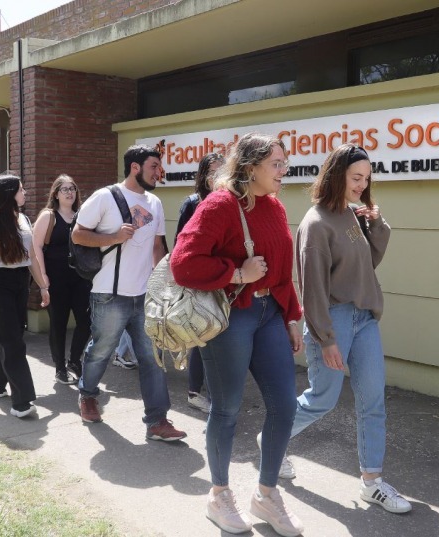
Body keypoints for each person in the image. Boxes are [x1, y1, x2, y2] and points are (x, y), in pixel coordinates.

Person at [171, 133, 304, 536]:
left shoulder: (275, 207)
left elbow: (281, 269)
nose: (285, 171)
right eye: (277, 164)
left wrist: (293, 316)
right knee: (227, 408)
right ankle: (219, 495)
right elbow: (182, 262)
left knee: (285, 405)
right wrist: (235, 274)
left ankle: (266, 495)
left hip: (269, 315)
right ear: (250, 167)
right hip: (233, 315)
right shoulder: (220, 205)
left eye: (284, 163)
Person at [288, 143, 412, 514]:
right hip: (334, 320)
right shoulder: (317, 224)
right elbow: (311, 290)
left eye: (366, 178)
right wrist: (326, 339)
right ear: (336, 175)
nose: (362, 185)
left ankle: (372, 482)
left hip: (364, 319)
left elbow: (367, 263)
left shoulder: (353, 215)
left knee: (373, 400)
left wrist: (377, 224)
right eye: (356, 177)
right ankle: (272, 442)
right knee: (322, 400)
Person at [72, 144, 186, 442]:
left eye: (159, 167)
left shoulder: (156, 203)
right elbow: (78, 234)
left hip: (145, 295)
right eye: (153, 166)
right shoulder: (105, 197)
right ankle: (87, 393)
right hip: (109, 293)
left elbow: (158, 246)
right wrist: (114, 236)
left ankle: (157, 421)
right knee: (102, 349)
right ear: (135, 167)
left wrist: (162, 286)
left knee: (153, 358)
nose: (158, 172)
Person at [0, 175, 49, 418]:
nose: (25, 193)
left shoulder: (24, 219)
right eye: (21, 189)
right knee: (14, 343)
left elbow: (32, 258)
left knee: (10, 336)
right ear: (8, 194)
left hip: (19, 284)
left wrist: (43, 286)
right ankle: (21, 402)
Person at [175, 152, 225, 414]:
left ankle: (216, 392)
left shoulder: (229, 203)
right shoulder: (193, 204)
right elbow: (179, 248)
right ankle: (195, 392)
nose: (216, 177)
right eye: (211, 171)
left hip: (225, 280)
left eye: (221, 171)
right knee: (200, 338)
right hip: (198, 282)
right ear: (202, 175)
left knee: (219, 337)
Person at [32, 174, 91, 385]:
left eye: (72, 189)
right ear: (55, 194)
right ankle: (59, 368)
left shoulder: (82, 216)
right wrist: (43, 276)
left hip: (80, 278)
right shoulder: (49, 216)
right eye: (64, 189)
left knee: (87, 321)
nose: (69, 192)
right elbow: (36, 245)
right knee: (58, 324)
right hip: (55, 278)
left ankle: (74, 361)